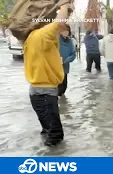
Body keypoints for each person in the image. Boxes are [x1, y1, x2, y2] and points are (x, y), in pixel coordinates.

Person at [24, 3, 74, 146]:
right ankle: (57, 162)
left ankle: (44, 157)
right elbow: (60, 22)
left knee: (47, 131)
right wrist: (64, 5)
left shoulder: (30, 36)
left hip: (34, 92)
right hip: (46, 93)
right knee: (55, 137)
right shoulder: (43, 34)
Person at [58, 24, 76, 96]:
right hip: (56, 68)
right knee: (58, 89)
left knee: (64, 88)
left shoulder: (70, 41)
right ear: (60, 31)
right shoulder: (56, 40)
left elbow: (73, 54)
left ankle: (62, 104)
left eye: (67, 31)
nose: (66, 32)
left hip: (65, 67)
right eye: (64, 30)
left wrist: (67, 60)